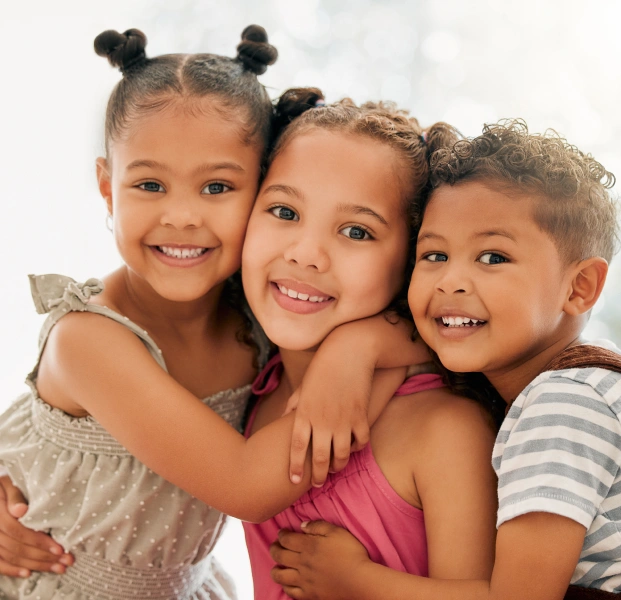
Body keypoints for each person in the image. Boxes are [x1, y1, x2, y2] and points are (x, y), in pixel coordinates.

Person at [0, 27, 428, 600]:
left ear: (262, 189)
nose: (181, 217)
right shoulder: (88, 339)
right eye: (150, 184)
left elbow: (442, 335)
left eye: (218, 187)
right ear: (107, 187)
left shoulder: (257, 315)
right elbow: (246, 486)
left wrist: (360, 349)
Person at [269, 119, 621, 600]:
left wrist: (355, 581)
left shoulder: (561, 405)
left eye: (493, 258)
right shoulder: (576, 388)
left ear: (579, 288)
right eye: (433, 255)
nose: (449, 282)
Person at [240, 89, 500, 600]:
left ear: (412, 257)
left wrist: (359, 586)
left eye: (356, 231)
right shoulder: (252, 382)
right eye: (285, 212)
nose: (307, 254)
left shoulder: (444, 430)